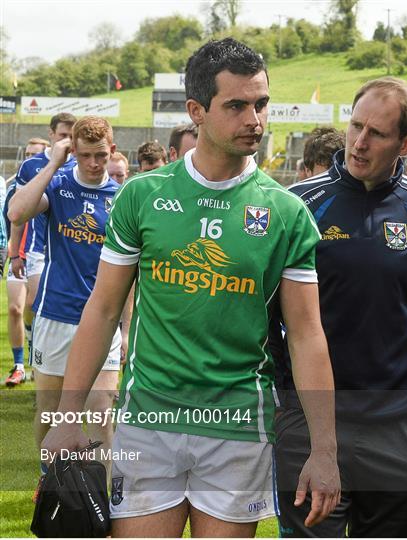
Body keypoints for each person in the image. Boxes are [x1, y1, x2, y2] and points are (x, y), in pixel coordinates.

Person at [41, 38, 340, 538]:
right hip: (148, 422)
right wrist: (70, 414)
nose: (255, 120)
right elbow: (103, 308)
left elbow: (308, 335)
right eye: (237, 106)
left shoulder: (287, 212)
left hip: (238, 428)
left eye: (261, 103)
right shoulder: (143, 196)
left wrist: (325, 449)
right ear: (197, 111)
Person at [271, 76, 407, 537]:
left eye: (376, 133)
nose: (358, 143)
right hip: (310, 427)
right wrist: (285, 404)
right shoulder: (298, 205)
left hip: (400, 430)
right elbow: (265, 318)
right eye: (355, 126)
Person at [8, 116, 122, 473]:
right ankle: (49, 481)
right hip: (56, 316)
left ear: (112, 151)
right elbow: (17, 212)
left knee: (101, 415)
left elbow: (130, 273)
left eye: (101, 156)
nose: (93, 163)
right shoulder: (57, 186)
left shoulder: (121, 198)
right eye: (85, 155)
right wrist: (54, 162)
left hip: (103, 322)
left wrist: (128, 327)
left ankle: (105, 501)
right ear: (73, 151)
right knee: (52, 413)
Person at [4, 137, 53, 387]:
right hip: (19, 254)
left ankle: (37, 361)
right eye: (27, 153)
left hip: (38, 254)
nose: (30, 158)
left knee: (34, 305)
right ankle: (19, 365)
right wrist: (13, 252)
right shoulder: (18, 186)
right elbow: (11, 218)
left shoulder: (51, 183)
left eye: (35, 154)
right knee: (14, 308)